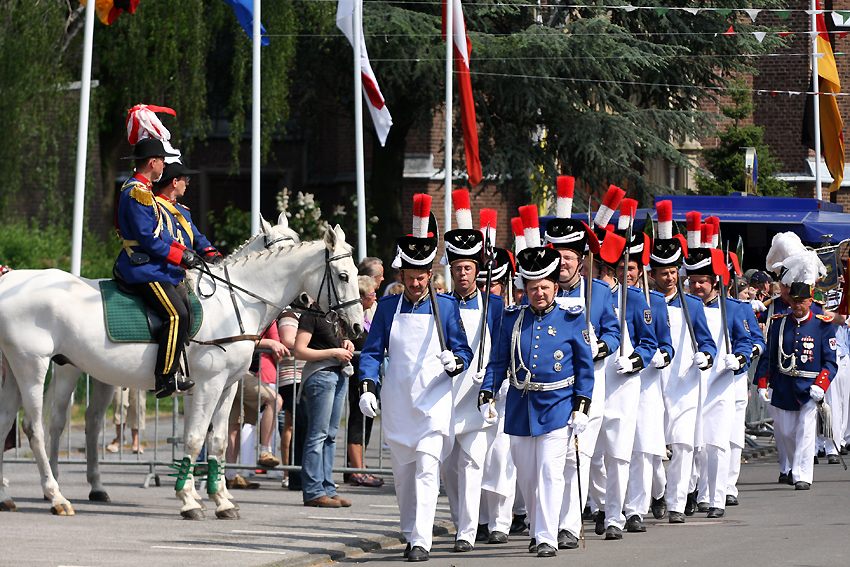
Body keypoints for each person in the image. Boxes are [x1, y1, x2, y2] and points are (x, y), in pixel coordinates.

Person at [358, 193, 472, 562]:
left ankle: (421, 539)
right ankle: (410, 531)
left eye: (421, 278)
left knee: (427, 470)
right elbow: (373, 352)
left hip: (435, 404)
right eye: (410, 279)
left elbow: (465, 351)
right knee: (405, 476)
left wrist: (455, 363)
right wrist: (366, 385)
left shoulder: (448, 306)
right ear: (401, 276)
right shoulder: (388, 308)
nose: (416, 284)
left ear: (430, 276)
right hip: (399, 402)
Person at [478, 205, 594, 558]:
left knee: (549, 472)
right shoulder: (511, 319)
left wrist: (582, 406)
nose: (539, 293)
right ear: (524, 288)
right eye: (532, 288)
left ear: (553, 287)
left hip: (558, 407)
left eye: (544, 287)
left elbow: (585, 367)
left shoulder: (573, 318)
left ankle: (546, 536)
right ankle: (536, 524)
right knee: (527, 477)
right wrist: (487, 393)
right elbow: (499, 360)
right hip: (519, 407)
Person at [542, 178, 621, 549]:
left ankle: (570, 527)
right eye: (557, 258)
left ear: (580, 260)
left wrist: (599, 347)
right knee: (550, 461)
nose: (562, 265)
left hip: (589, 387)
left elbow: (615, 334)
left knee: (578, 458)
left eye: (569, 258)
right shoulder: (539, 294)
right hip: (550, 390)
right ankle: (546, 522)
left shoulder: (600, 293)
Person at [586, 198, 658, 540]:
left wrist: (636, 360)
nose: (597, 274)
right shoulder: (581, 296)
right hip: (589, 382)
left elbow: (649, 342)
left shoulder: (633, 299)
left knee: (618, 453)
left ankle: (616, 515)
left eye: (602, 268)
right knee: (593, 453)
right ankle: (599, 506)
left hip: (623, 382)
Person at [439, 192, 504, 552]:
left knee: (472, 463)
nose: (462, 275)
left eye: (468, 269)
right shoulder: (441, 305)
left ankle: (467, 532)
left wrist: (493, 382)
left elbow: (503, 349)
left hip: (481, 394)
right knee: (448, 469)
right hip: (448, 394)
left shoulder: (494, 304)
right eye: (457, 269)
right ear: (450, 271)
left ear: (477, 271)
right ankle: (463, 520)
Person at [646, 201, 716, 524]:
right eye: (665, 272)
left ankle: (675, 504)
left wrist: (706, 356)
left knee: (684, 445)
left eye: (675, 272)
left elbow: (707, 341)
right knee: (652, 448)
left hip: (685, 382)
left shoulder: (692, 304)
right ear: (654, 274)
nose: (671, 277)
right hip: (653, 382)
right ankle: (658, 491)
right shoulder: (645, 303)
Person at [114, 136, 199, 398]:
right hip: (141, 267)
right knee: (177, 315)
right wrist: (180, 257)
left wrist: (185, 252)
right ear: (153, 162)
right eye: (162, 160)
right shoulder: (137, 192)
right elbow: (148, 240)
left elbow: (160, 235)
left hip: (152, 264)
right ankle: (165, 378)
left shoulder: (145, 190)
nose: (164, 165)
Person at [756, 233, 838, 489]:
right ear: (789, 301)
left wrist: (821, 385)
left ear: (810, 301)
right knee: (785, 433)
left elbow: (830, 362)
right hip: (783, 386)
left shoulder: (823, 326)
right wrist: (761, 382)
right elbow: (770, 355)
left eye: (803, 302)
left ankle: (803, 475)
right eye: (795, 302)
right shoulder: (780, 323)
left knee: (804, 432)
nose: (799, 306)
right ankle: (791, 466)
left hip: (810, 387)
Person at [684, 215, 752, 518]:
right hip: (689, 383)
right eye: (693, 281)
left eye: (703, 281)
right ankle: (693, 492)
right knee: (692, 444)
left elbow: (747, 343)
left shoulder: (734, 308)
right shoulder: (682, 307)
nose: (697, 286)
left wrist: (737, 359)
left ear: (714, 282)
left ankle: (717, 497)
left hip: (722, 382)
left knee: (717, 443)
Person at [620, 228, 674, 534]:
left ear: (640, 271)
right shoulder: (605, 298)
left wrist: (659, 357)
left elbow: (666, 345)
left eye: (631, 268)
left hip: (646, 384)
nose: (626, 274)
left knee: (643, 450)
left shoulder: (653, 300)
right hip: (614, 382)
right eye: (621, 268)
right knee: (616, 450)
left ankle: (637, 509)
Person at [475, 245, 519, 545]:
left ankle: (501, 522)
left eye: (492, 284)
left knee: (502, 458)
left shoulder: (511, 314)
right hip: (471, 393)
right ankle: (477, 519)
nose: (487, 289)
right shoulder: (462, 307)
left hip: (503, 392)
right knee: (473, 460)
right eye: (481, 285)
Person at [294, 301, 356, 508]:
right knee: (318, 434)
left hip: (338, 375)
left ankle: (327, 488)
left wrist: (346, 344)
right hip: (321, 375)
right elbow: (300, 351)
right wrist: (333, 352)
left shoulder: (336, 314)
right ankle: (313, 491)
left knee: (330, 435)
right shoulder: (312, 314)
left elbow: (337, 342)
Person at [345, 276, 383, 488]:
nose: (374, 298)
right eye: (371, 295)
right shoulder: (353, 320)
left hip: (368, 377)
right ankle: (356, 470)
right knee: (357, 421)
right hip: (356, 377)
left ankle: (361, 466)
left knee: (367, 421)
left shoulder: (365, 317)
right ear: (360, 297)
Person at [153, 159, 223, 265]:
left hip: (187, 266)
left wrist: (211, 253)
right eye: (186, 179)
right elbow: (165, 239)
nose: (187, 183)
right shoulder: (155, 207)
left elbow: (196, 237)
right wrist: (185, 255)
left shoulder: (183, 211)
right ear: (175, 182)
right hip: (168, 266)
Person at [106, 388, 145, 454]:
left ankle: (136, 441)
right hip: (120, 378)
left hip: (137, 378)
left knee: (137, 405)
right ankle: (119, 438)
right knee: (119, 402)